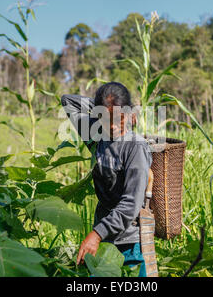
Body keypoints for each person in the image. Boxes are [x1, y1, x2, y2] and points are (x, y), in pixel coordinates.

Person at [61, 82, 152, 277]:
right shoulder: (95, 136)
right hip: (104, 242)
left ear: (128, 115)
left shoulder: (135, 147)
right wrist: (98, 107)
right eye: (104, 118)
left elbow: (131, 204)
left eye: (118, 118)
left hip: (129, 244)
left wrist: (96, 234)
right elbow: (68, 100)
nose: (111, 126)